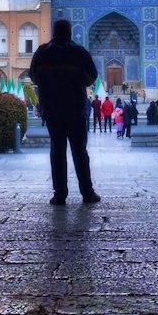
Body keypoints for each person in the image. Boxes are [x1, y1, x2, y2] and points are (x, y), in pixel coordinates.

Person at [29, 19, 101, 205]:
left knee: (57, 149)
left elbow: (34, 77)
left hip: (52, 108)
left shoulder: (42, 52)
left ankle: (60, 194)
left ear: (54, 32)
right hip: (75, 107)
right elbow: (91, 77)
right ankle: (87, 192)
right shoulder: (79, 52)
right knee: (79, 150)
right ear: (70, 32)